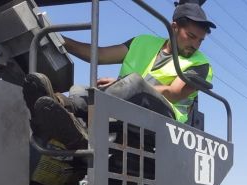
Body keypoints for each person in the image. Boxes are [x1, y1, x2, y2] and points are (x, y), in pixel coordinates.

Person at [22, 0, 215, 149]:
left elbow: (175, 92)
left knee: (133, 82)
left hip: (166, 122)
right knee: (80, 89)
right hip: (125, 107)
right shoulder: (143, 42)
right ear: (174, 27)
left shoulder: (201, 64)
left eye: (200, 40)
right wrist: (61, 40)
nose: (196, 44)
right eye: (191, 36)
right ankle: (59, 107)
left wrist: (122, 84)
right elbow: (99, 54)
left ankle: (80, 123)